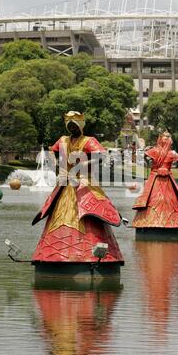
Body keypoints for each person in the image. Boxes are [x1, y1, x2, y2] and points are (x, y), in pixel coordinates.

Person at [32, 111, 123, 263]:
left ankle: (90, 252)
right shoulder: (63, 140)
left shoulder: (88, 141)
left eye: (75, 126)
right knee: (60, 213)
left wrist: (84, 164)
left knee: (89, 211)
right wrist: (56, 165)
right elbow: (51, 152)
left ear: (80, 126)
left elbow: (101, 156)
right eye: (70, 126)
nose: (72, 128)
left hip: (83, 182)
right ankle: (54, 253)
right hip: (65, 183)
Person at [132, 131, 178, 229]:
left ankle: (146, 221)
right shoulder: (172, 153)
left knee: (149, 198)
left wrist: (149, 164)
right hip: (167, 179)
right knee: (170, 199)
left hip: (155, 177)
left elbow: (143, 157)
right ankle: (174, 222)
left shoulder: (154, 151)